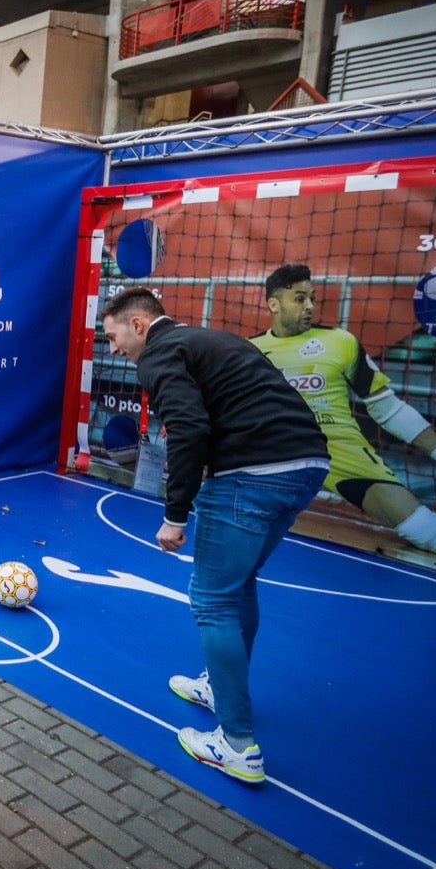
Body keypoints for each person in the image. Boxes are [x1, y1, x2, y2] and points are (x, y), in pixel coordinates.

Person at [101, 286, 330, 785]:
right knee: (239, 584)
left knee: (212, 600)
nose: (113, 349)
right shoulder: (212, 340)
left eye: (114, 337)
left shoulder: (159, 353)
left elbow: (189, 427)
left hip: (252, 474)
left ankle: (237, 745)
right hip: (307, 466)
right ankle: (218, 687)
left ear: (138, 325)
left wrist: (175, 514)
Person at [251, 264, 436, 558]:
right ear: (274, 304)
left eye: (313, 298)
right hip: (274, 452)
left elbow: (389, 410)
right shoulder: (249, 350)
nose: (310, 306)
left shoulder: (340, 342)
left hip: (336, 452)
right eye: (300, 299)